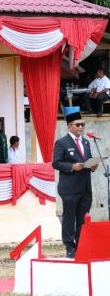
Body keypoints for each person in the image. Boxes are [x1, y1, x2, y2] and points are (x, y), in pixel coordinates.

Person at [52, 110, 97, 259]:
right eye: (78, 125)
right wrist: (72, 166)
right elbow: (56, 163)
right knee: (69, 218)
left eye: (82, 124)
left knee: (83, 219)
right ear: (69, 126)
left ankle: (80, 244)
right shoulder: (62, 142)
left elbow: (88, 160)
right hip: (70, 188)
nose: (81, 127)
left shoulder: (86, 142)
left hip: (85, 187)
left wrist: (93, 166)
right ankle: (69, 246)